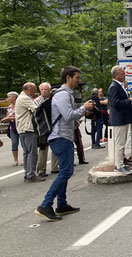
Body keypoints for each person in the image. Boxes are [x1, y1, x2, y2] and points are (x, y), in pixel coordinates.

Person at [35, 66, 94, 222]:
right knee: (66, 172)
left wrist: (83, 112)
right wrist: (83, 108)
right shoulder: (62, 95)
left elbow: (68, 117)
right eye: (76, 77)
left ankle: (61, 204)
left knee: (65, 171)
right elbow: (68, 116)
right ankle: (46, 205)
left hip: (64, 136)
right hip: (60, 137)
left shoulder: (67, 94)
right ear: (68, 77)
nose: (78, 80)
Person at [108, 65, 132, 174]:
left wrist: (129, 105)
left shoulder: (118, 86)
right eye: (122, 73)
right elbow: (115, 103)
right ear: (117, 75)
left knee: (121, 142)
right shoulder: (114, 87)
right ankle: (119, 165)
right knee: (120, 143)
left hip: (122, 118)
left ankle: (120, 163)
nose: (125, 75)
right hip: (119, 119)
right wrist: (129, 101)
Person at [15, 82, 44, 183]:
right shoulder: (25, 98)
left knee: (27, 152)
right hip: (27, 128)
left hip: (22, 128)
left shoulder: (21, 97)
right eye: (35, 88)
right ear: (29, 89)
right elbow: (37, 109)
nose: (36, 91)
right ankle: (31, 175)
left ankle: (27, 174)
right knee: (32, 152)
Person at [35, 82, 59, 177]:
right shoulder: (37, 101)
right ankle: (41, 170)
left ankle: (55, 167)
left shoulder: (55, 99)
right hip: (43, 128)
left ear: (50, 90)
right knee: (43, 149)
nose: (44, 91)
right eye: (42, 89)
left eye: (46, 89)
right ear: (40, 90)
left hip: (54, 126)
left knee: (55, 147)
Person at [1, 91, 20, 166]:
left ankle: (26, 159)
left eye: (9, 97)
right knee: (14, 143)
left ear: (14, 97)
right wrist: (8, 118)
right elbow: (8, 116)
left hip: (20, 125)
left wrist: (9, 117)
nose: (8, 98)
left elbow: (21, 116)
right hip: (12, 126)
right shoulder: (9, 107)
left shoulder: (19, 106)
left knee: (24, 143)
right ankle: (15, 159)